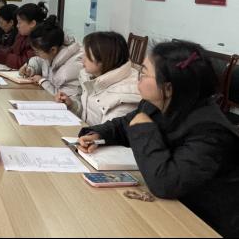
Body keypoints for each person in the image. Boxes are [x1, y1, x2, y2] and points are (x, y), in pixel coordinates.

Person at [77, 41, 239, 238]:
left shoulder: (210, 132)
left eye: (144, 73)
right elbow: (124, 125)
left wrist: (144, 130)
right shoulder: (157, 103)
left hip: (205, 223)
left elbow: (166, 183)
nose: (138, 78)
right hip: (170, 209)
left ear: (168, 88)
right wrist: (98, 134)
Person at [55, 31, 140, 125]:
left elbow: (106, 132)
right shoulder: (93, 77)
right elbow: (90, 115)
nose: (82, 60)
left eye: (87, 56)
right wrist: (72, 105)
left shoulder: (123, 97)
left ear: (104, 59)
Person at [20, 15, 83, 102]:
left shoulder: (71, 68)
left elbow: (64, 99)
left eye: (37, 52)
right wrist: (31, 69)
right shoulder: (53, 48)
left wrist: (42, 81)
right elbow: (40, 60)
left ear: (53, 50)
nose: (36, 54)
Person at [0, 2, 48, 69]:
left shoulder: (39, 40)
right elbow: (12, 49)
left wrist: (1, 58)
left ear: (32, 23)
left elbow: (24, 62)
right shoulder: (22, 35)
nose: (17, 26)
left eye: (19, 22)